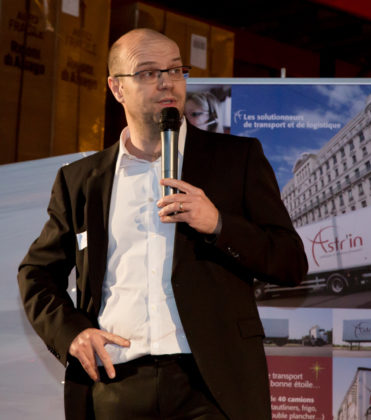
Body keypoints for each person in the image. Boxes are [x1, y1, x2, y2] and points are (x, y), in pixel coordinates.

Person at [18, 28, 307, 420]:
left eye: (175, 70)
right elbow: (36, 273)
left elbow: (290, 261)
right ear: (117, 88)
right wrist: (72, 333)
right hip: (117, 383)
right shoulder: (82, 180)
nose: (167, 82)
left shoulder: (236, 159)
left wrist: (219, 224)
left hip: (212, 386)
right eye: (149, 72)